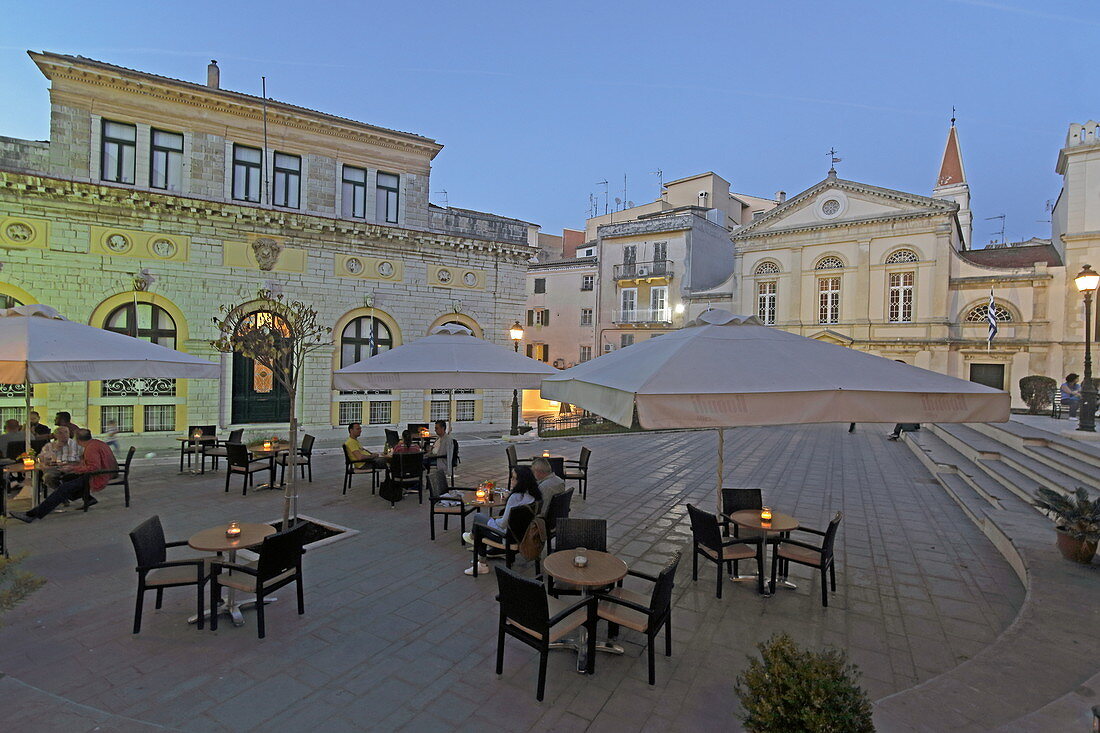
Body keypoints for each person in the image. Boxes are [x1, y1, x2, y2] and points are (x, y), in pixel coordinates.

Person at [10, 429, 117, 522]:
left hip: (98, 475)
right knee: (66, 478)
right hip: (104, 472)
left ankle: (32, 514)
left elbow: (94, 467)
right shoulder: (96, 443)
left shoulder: (90, 448)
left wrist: (73, 468)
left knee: (64, 488)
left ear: (76, 439)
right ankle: (87, 498)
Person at [462, 466, 543, 576]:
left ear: (521, 481)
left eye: (514, 478)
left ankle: (481, 562)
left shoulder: (515, 497)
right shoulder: (533, 496)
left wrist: (494, 521)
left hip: (507, 537)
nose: (511, 480)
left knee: (478, 520)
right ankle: (472, 536)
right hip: (522, 535)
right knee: (482, 520)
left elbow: (503, 523)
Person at [39, 425, 84, 490]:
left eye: (66, 432)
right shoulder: (49, 446)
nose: (64, 435)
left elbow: (84, 458)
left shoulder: (77, 445)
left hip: (72, 469)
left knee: (72, 477)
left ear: (69, 433)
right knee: (47, 477)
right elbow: (41, 459)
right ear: (55, 435)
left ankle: (63, 495)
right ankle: (62, 493)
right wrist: (46, 462)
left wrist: (73, 466)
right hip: (54, 468)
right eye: (60, 433)